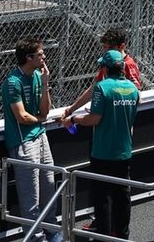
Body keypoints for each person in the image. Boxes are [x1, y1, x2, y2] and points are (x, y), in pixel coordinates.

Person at [63, 50, 139, 240]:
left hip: (103, 152)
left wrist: (73, 118)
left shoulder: (102, 88)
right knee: (122, 195)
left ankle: (104, 235)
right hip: (124, 151)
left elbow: (93, 119)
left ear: (105, 68)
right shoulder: (132, 88)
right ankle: (122, 234)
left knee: (102, 196)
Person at [2, 38, 62, 242]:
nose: (44, 57)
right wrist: (40, 120)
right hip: (23, 142)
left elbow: (45, 110)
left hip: (41, 135)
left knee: (49, 186)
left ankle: (53, 232)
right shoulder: (13, 81)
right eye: (41, 54)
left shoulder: (38, 76)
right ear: (29, 58)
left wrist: (45, 84)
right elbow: (22, 116)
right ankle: (36, 238)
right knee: (31, 197)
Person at [62, 28, 142, 124]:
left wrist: (104, 108)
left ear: (122, 47)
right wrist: (71, 109)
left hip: (120, 123)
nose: (104, 51)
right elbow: (93, 89)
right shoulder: (107, 62)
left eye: (108, 48)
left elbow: (136, 97)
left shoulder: (128, 64)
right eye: (103, 47)